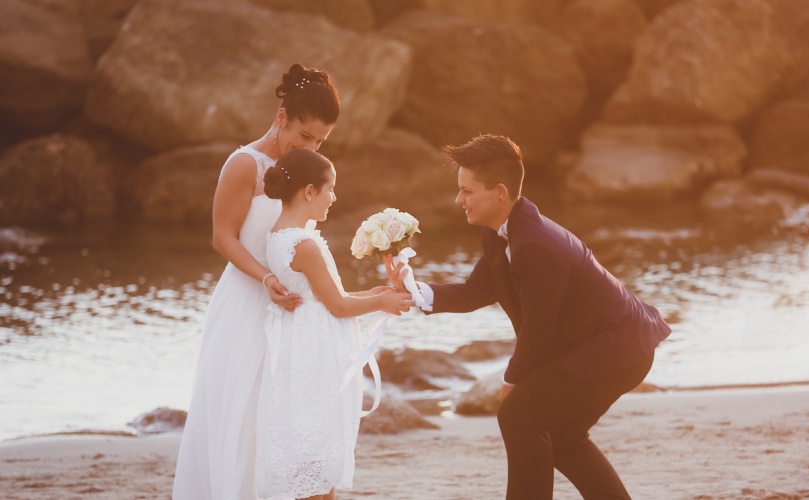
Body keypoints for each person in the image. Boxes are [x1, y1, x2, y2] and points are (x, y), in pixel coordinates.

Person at [385, 134, 672, 499]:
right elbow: (476, 291)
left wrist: (512, 379)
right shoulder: (501, 232)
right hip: (601, 347)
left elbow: (539, 333)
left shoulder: (536, 245)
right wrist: (411, 289)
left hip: (620, 350)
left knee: (520, 415)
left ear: (500, 192)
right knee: (562, 437)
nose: (459, 200)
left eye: (467, 191)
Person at [173, 63, 342, 499]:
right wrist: (266, 277)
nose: (309, 146)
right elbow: (222, 237)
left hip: (291, 306)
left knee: (285, 411)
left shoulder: (304, 168)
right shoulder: (245, 163)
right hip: (248, 301)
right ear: (282, 116)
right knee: (244, 411)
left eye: (320, 141)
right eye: (304, 136)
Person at [256, 149, 413, 500]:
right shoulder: (305, 244)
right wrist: (380, 302)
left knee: (310, 440)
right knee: (318, 444)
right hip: (316, 352)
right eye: (330, 189)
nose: (334, 197)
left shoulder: (278, 235)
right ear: (310, 191)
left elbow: (324, 295)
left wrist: (376, 292)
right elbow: (338, 306)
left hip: (302, 342)